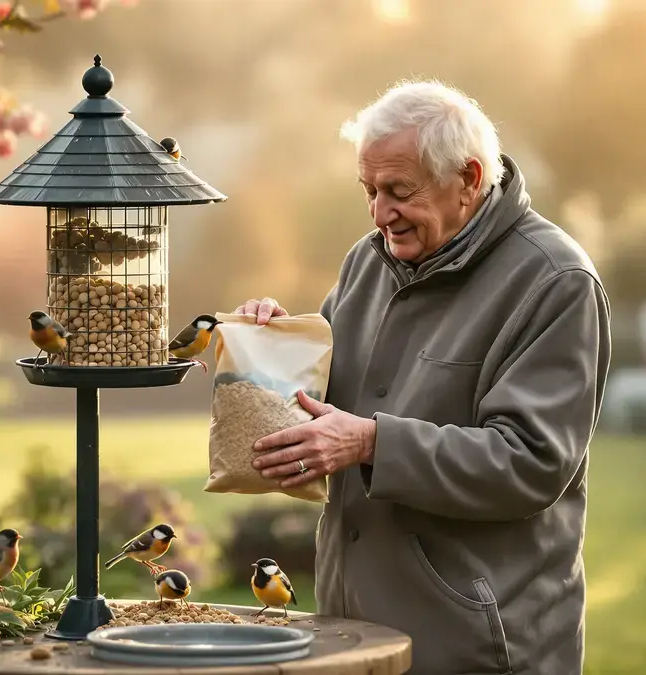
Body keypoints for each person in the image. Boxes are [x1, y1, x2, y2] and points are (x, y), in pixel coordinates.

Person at [234, 80, 611, 675]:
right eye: (369, 190)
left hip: (477, 646)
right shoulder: (368, 260)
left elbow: (532, 462)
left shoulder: (554, 281)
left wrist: (372, 443)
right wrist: (275, 349)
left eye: (398, 191)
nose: (381, 213)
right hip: (352, 634)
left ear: (468, 179)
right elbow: (325, 404)